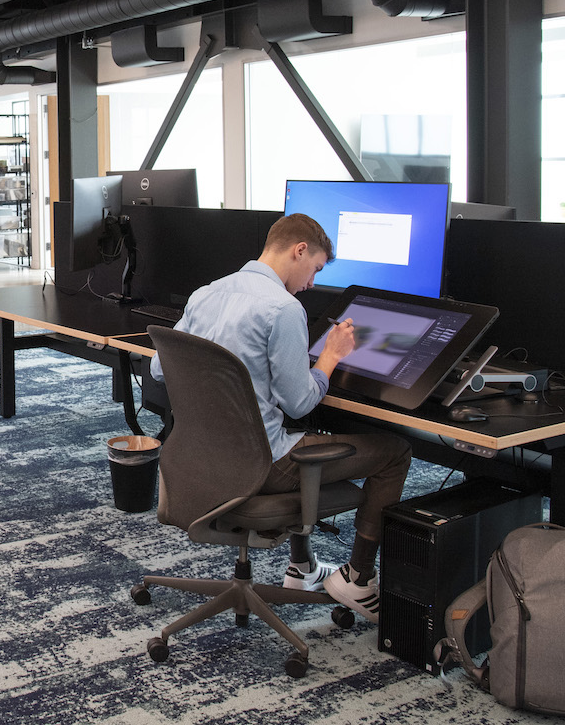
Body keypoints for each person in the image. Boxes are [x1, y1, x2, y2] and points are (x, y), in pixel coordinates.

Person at [147, 213, 411, 623]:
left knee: (296, 434)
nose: (311, 283)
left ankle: (301, 568)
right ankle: (358, 579)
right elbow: (300, 402)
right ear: (299, 250)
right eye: (315, 269)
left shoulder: (206, 293)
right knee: (394, 451)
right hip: (260, 467)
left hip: (197, 458)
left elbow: (160, 371)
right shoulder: (283, 309)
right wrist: (331, 356)